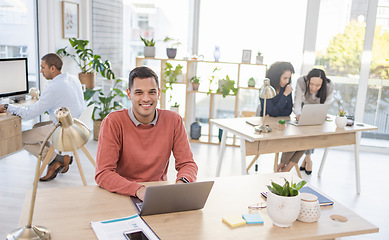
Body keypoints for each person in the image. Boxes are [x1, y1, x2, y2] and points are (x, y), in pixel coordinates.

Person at [95, 66, 198, 200]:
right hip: (122, 193)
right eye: (139, 92)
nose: (146, 98)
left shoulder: (173, 120)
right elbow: (103, 173)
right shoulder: (113, 122)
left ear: (159, 93)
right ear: (129, 93)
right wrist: (138, 190)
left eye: (151, 92)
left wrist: (182, 183)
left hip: (157, 195)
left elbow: (187, 164)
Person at [0, 53, 85, 181]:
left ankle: (56, 161)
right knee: (36, 126)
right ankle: (56, 160)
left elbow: (29, 114)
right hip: (78, 127)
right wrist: (43, 102)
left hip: (64, 131)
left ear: (52, 68)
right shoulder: (72, 78)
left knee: (21, 138)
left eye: (43, 67)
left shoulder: (54, 87)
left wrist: (7, 107)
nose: (40, 71)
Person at [258, 62, 305, 172]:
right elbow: (272, 112)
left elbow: (287, 110)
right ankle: (283, 167)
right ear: (276, 75)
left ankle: (285, 167)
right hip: (269, 127)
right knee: (293, 141)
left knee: (305, 141)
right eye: (284, 78)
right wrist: (284, 96)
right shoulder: (266, 89)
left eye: (289, 78)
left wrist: (275, 110)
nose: (287, 81)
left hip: (284, 125)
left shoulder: (286, 88)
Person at [294, 68, 335, 174]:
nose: (313, 88)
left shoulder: (330, 86)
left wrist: (322, 114)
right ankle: (308, 159)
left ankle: (307, 159)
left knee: (313, 134)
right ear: (307, 80)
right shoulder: (301, 81)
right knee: (306, 134)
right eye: (311, 84)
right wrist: (298, 114)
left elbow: (327, 103)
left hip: (318, 109)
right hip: (305, 108)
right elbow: (297, 101)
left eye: (318, 86)